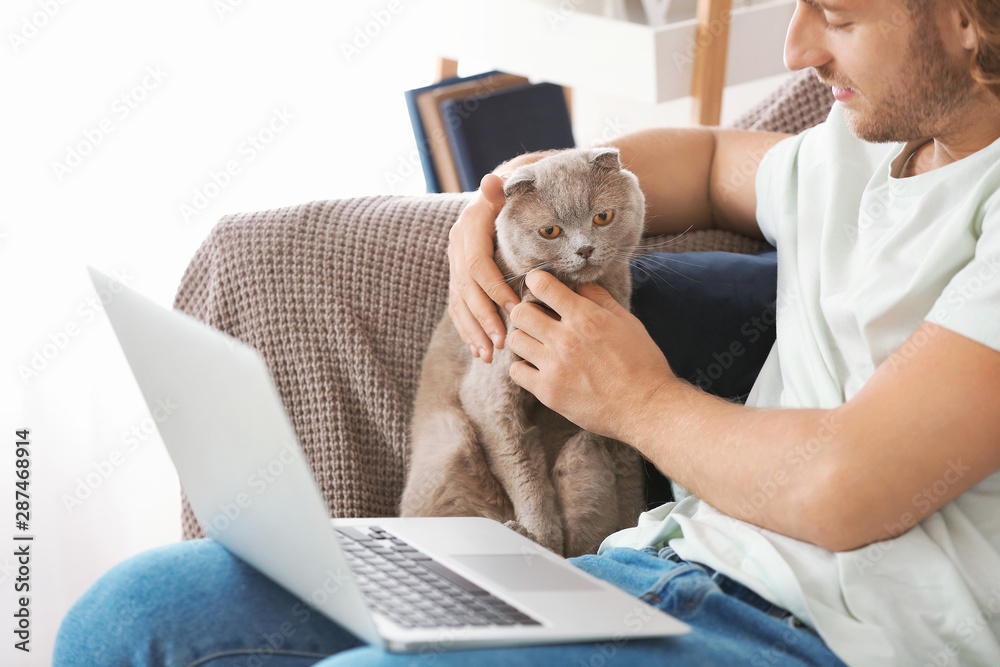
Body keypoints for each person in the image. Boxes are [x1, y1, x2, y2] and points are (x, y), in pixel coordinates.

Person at [55, 0, 1000, 664]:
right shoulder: (860, 148)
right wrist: (499, 196)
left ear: (968, 17)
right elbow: (708, 160)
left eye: (836, 16)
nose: (797, 49)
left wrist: (633, 399)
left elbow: (851, 489)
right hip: (659, 570)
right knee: (129, 614)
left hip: (829, 637)